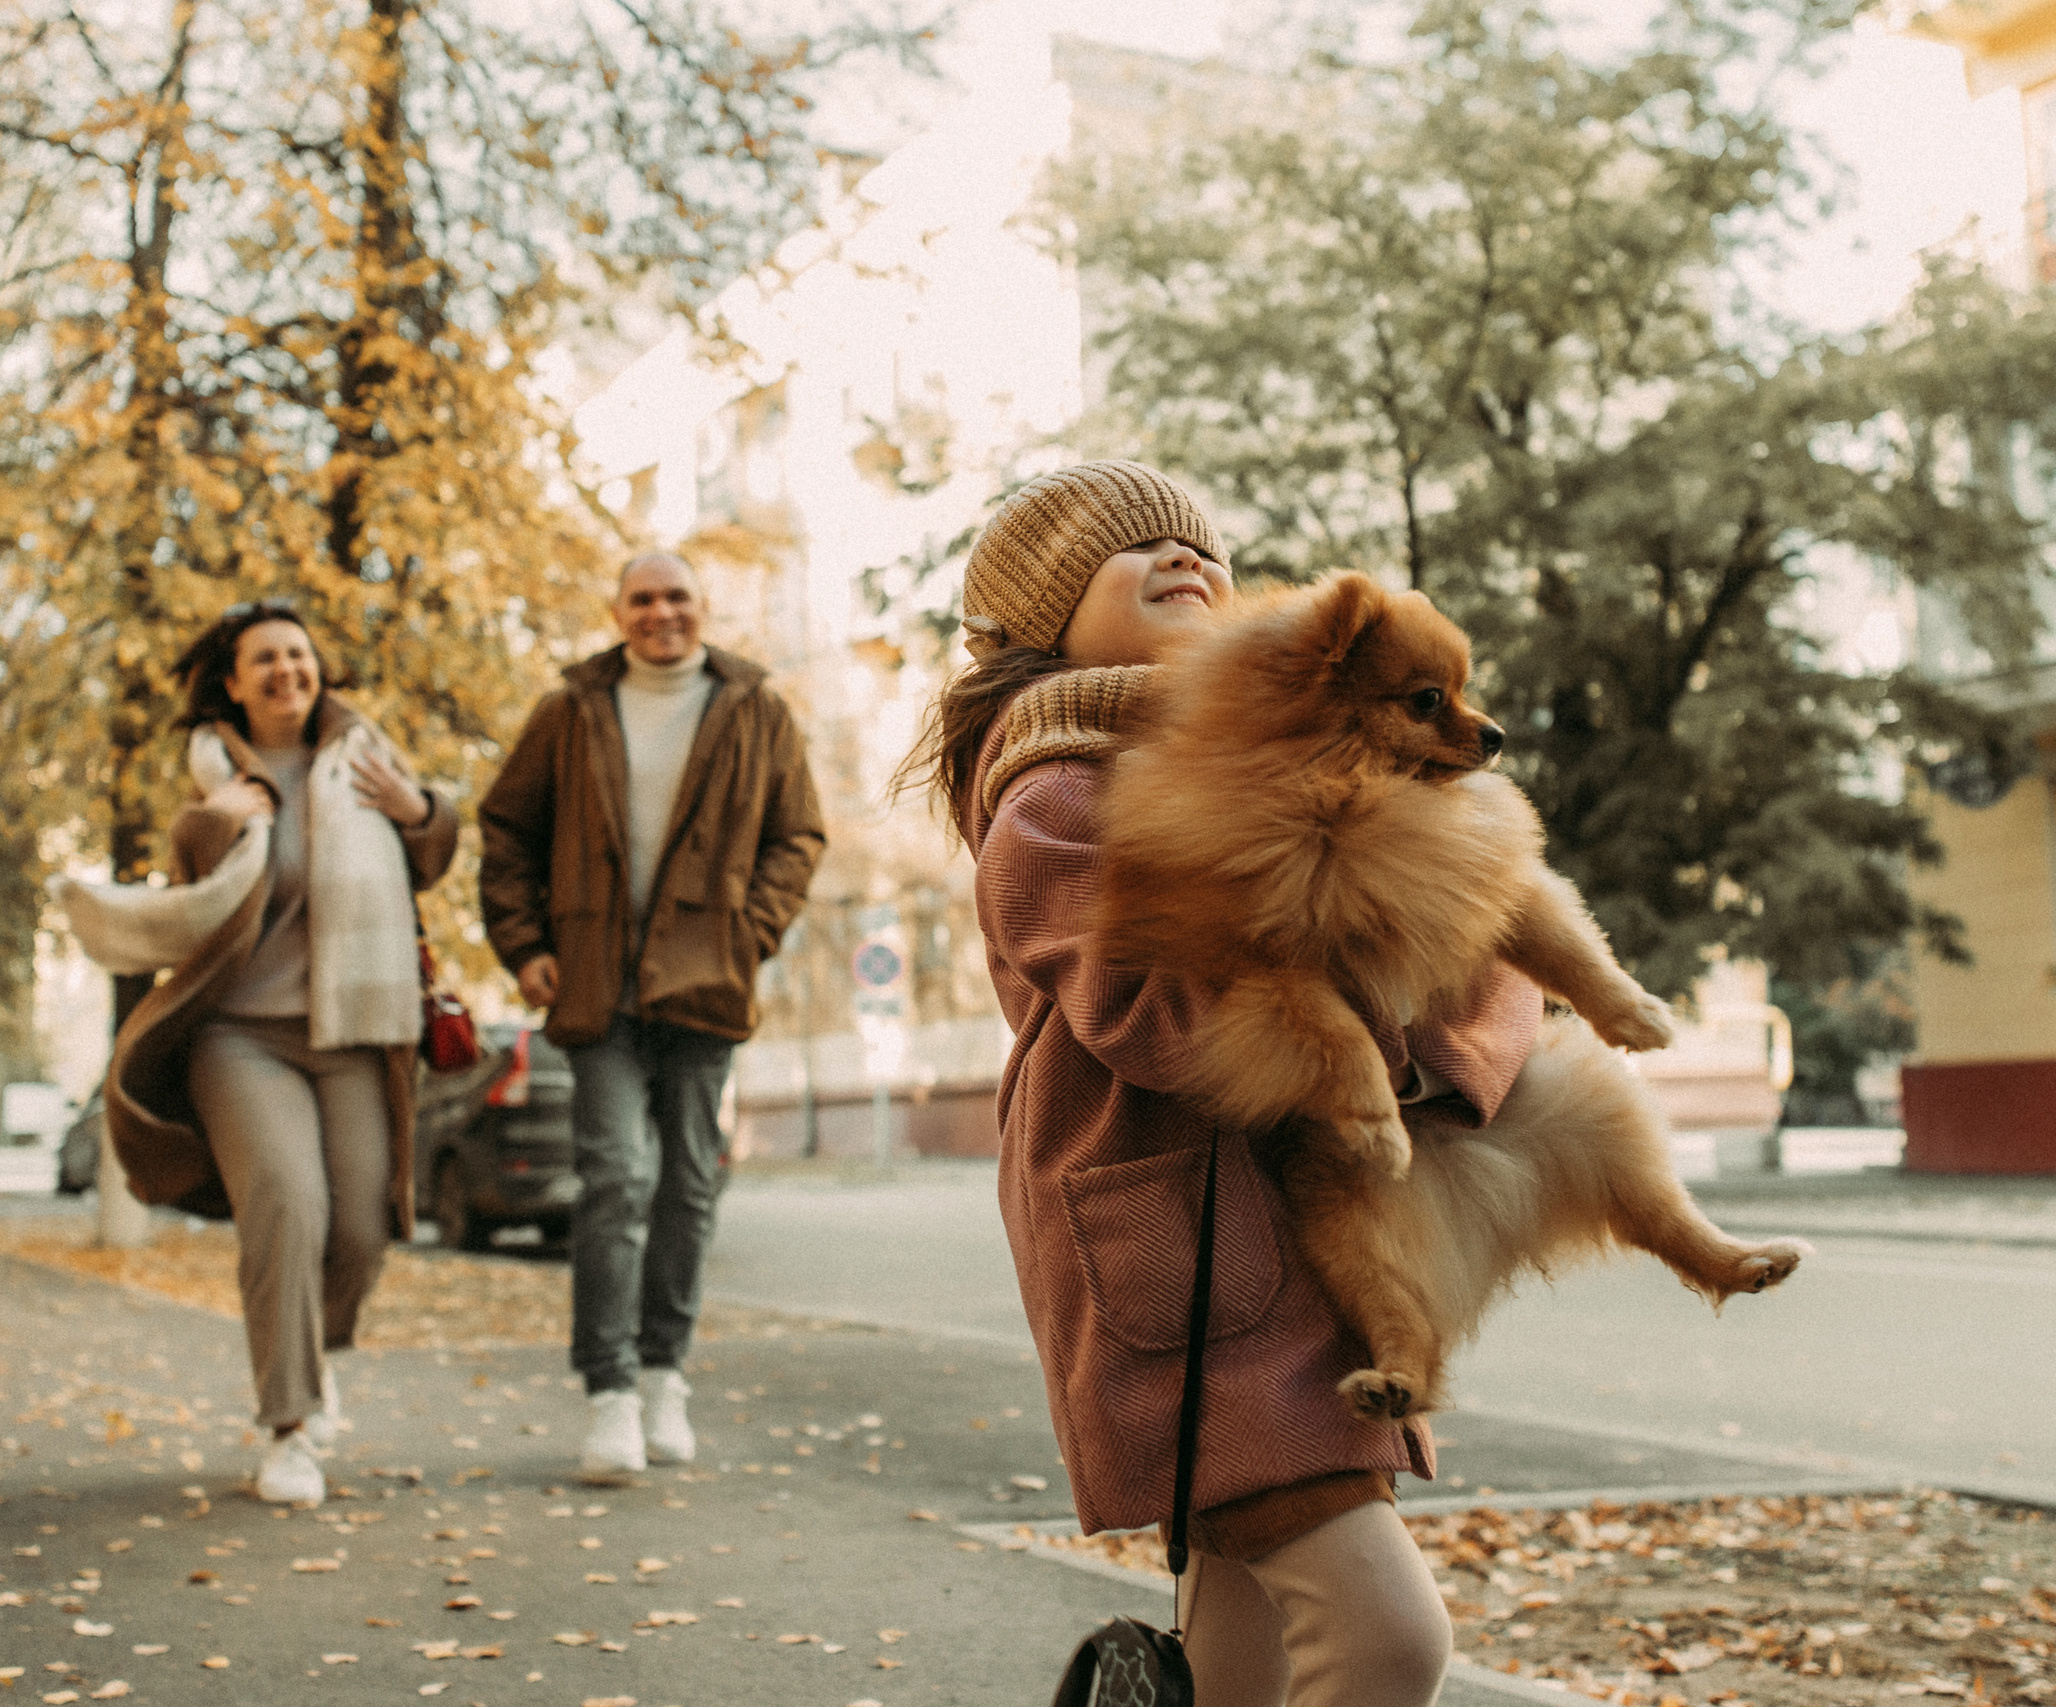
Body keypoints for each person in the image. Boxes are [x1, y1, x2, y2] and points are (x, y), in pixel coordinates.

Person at [908, 462, 1543, 1706]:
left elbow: (1489, 948)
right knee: (1384, 1640)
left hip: (1307, 1244)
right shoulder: (1055, 790)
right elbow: (1156, 1008)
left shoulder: (1311, 755)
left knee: (1243, 1658)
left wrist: (1433, 1037)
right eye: (1132, 547)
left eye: (1202, 546)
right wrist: (1370, 1016)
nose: (1186, 559)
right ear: (1040, 615)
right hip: (1184, 1262)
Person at [57, 600, 458, 1507]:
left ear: (319, 670)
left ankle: (311, 1356)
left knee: (361, 1225)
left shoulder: (368, 757)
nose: (286, 670)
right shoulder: (215, 770)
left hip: (355, 1028)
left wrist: (421, 808)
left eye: (299, 655)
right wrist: (215, 819)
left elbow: (430, 854)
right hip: (239, 1033)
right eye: (264, 660)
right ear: (232, 683)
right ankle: (285, 1428)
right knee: (287, 1202)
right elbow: (194, 882)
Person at [477, 552, 825, 1482]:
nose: (661, 613)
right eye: (643, 598)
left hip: (705, 981)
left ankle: (668, 1374)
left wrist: (748, 933)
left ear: (703, 608)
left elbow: (798, 835)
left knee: (687, 1185)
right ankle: (610, 1395)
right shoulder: (569, 710)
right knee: (614, 1179)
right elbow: (506, 829)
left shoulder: (756, 709)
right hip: (596, 982)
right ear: (619, 611)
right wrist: (524, 946)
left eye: (677, 597)